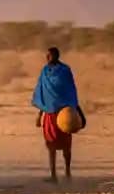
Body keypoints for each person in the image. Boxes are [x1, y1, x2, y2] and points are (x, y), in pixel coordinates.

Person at [31, 47, 82, 183]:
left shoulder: (65, 71)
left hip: (64, 114)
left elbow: (71, 91)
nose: (47, 58)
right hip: (49, 113)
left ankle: (67, 172)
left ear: (56, 56)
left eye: (50, 55)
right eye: (46, 55)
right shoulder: (44, 71)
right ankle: (53, 175)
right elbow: (43, 94)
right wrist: (39, 114)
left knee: (66, 145)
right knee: (50, 144)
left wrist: (78, 111)